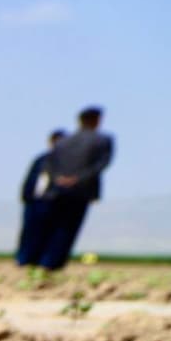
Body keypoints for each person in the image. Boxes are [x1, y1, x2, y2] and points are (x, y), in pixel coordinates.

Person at [37, 106, 114, 270]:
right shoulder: (103, 139)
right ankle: (54, 264)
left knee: (54, 225)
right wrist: (77, 179)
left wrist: (59, 178)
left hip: (58, 190)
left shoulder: (63, 141)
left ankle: (44, 261)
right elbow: (102, 164)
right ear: (96, 120)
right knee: (68, 228)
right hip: (81, 190)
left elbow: (49, 163)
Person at [15, 129, 65, 267]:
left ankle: (43, 262)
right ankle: (23, 259)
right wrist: (26, 195)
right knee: (29, 232)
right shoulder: (41, 159)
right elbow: (30, 178)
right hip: (35, 200)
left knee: (49, 233)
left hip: (54, 202)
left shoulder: (67, 162)